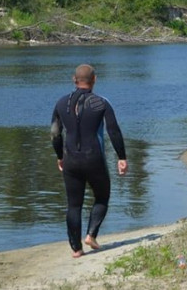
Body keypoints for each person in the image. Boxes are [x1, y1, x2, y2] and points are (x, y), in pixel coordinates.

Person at [51, 64, 128, 258]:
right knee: (102, 196)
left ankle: (76, 249)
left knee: (74, 205)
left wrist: (60, 156)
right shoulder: (101, 102)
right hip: (94, 158)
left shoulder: (61, 103)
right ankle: (91, 235)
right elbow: (113, 131)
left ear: (74, 80)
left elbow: (54, 134)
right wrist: (122, 157)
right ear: (95, 80)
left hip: (71, 160)